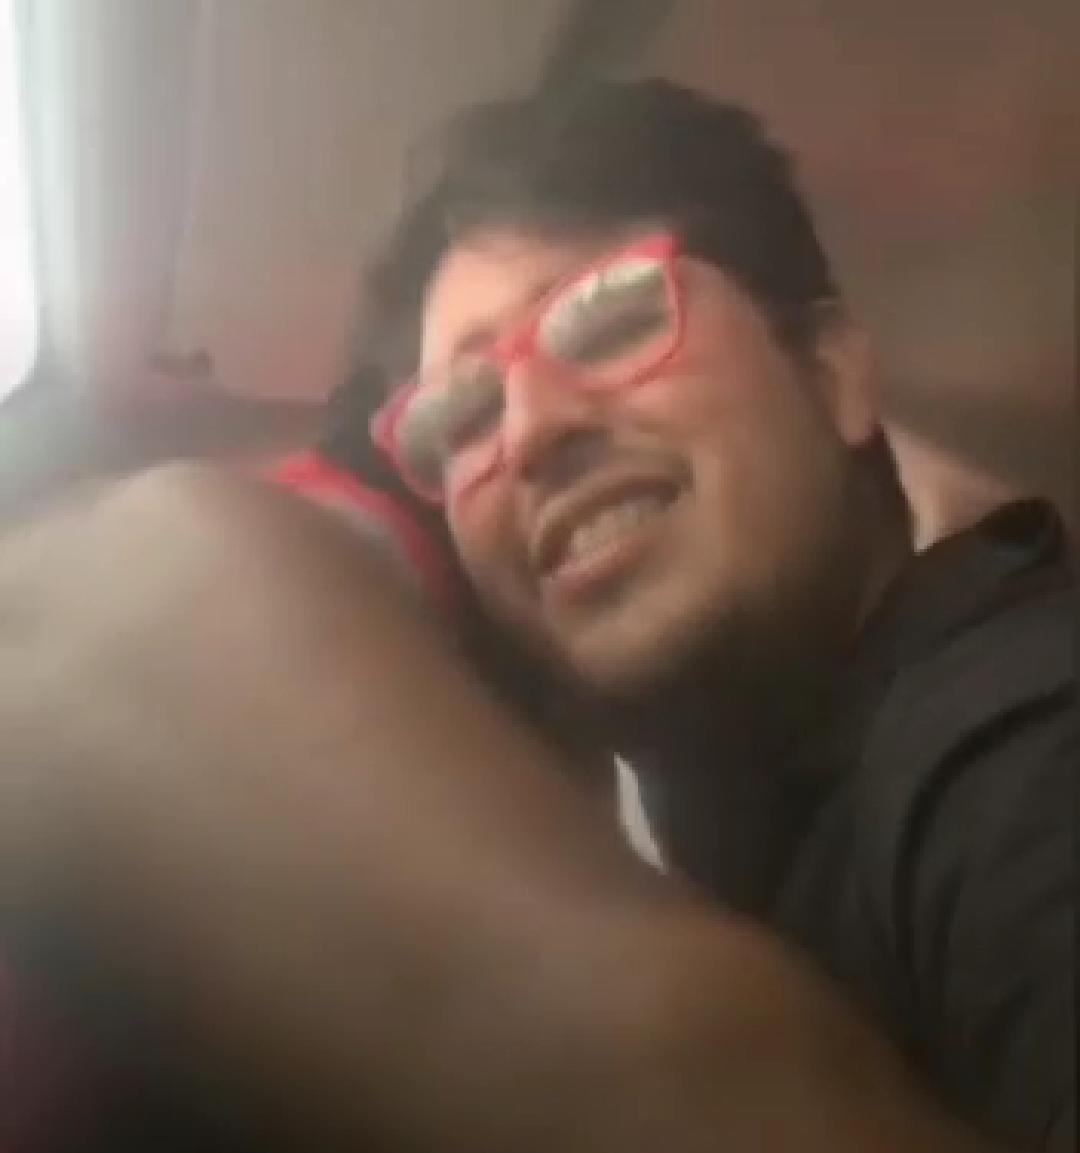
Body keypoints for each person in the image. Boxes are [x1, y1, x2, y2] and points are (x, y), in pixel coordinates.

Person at [0, 80, 1073, 1152]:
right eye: (460, 414)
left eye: (611, 323)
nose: (530, 430)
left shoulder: (1019, 735)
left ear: (834, 375)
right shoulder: (759, 852)